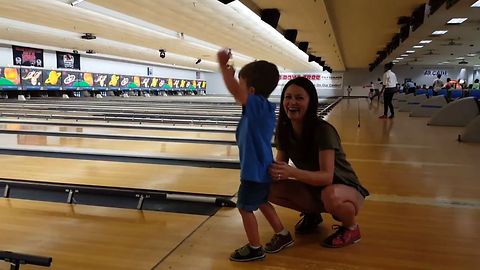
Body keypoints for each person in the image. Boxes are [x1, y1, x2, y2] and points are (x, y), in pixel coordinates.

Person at [268, 77, 369, 248]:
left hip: (345, 189)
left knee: (330, 194)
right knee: (268, 189)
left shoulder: (323, 131)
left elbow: (326, 178)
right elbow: (280, 170)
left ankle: (351, 228)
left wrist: (291, 172)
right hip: (315, 188)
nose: (292, 102)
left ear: (310, 102)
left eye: (299, 98)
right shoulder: (284, 130)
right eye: (288, 97)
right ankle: (312, 214)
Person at [217, 49, 292, 262]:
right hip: (261, 170)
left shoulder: (258, 106)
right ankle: (283, 234)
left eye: (240, 85)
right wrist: (233, 76)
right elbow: (239, 95)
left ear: (250, 90)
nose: (236, 91)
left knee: (244, 208)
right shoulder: (259, 109)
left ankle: (255, 248)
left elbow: (237, 93)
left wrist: (223, 68)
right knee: (262, 202)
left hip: (254, 174)